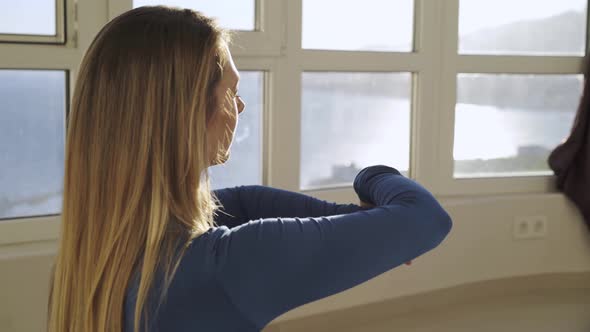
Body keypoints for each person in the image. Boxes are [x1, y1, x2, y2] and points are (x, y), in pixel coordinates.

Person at [47, 6, 452, 332]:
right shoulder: (227, 266)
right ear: (186, 112)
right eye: (232, 92)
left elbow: (244, 201)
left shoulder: (93, 259)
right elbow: (425, 218)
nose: (239, 107)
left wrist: (371, 226)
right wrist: (371, 177)